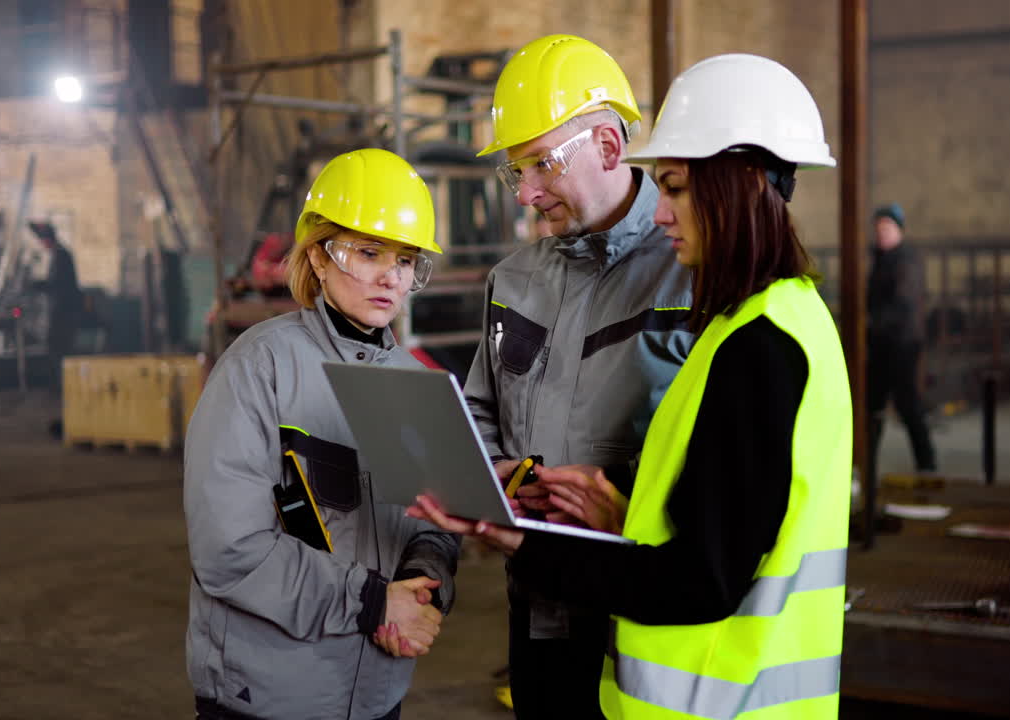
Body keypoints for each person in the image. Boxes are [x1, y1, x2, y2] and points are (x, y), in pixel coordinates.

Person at [411, 53, 853, 720]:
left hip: (696, 674)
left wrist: (530, 540)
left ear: (732, 185)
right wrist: (522, 493)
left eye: (673, 187)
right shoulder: (777, 319)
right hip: (591, 621)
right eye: (515, 172)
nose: (664, 211)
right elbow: (719, 523)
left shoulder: (748, 335)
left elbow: (702, 574)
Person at [463, 33, 695, 720]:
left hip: (645, 608)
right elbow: (479, 413)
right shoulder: (514, 280)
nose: (528, 194)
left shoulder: (693, 270)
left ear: (608, 148)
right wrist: (495, 481)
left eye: (541, 164)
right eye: (515, 172)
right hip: (539, 603)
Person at [183, 149, 460, 720]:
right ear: (319, 255)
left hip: (377, 693)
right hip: (268, 696)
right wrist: (372, 602)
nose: (391, 276)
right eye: (368, 251)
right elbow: (229, 548)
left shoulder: (415, 382)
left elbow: (434, 520)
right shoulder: (261, 366)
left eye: (406, 260)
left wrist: (421, 581)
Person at [867, 203, 937, 472]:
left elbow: (903, 303)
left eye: (887, 228)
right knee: (872, 406)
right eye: (879, 228)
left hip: (902, 344)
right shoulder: (881, 259)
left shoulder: (906, 260)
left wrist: (873, 322)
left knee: (907, 405)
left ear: (899, 231)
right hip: (882, 344)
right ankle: (865, 463)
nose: (882, 233)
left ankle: (927, 464)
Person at [28, 220, 82, 389]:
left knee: (58, 349)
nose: (41, 244)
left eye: (42, 240)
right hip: (62, 312)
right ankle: (60, 387)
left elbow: (58, 285)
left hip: (64, 314)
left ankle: (62, 388)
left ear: (47, 240)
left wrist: (37, 285)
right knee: (57, 349)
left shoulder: (62, 256)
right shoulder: (59, 255)